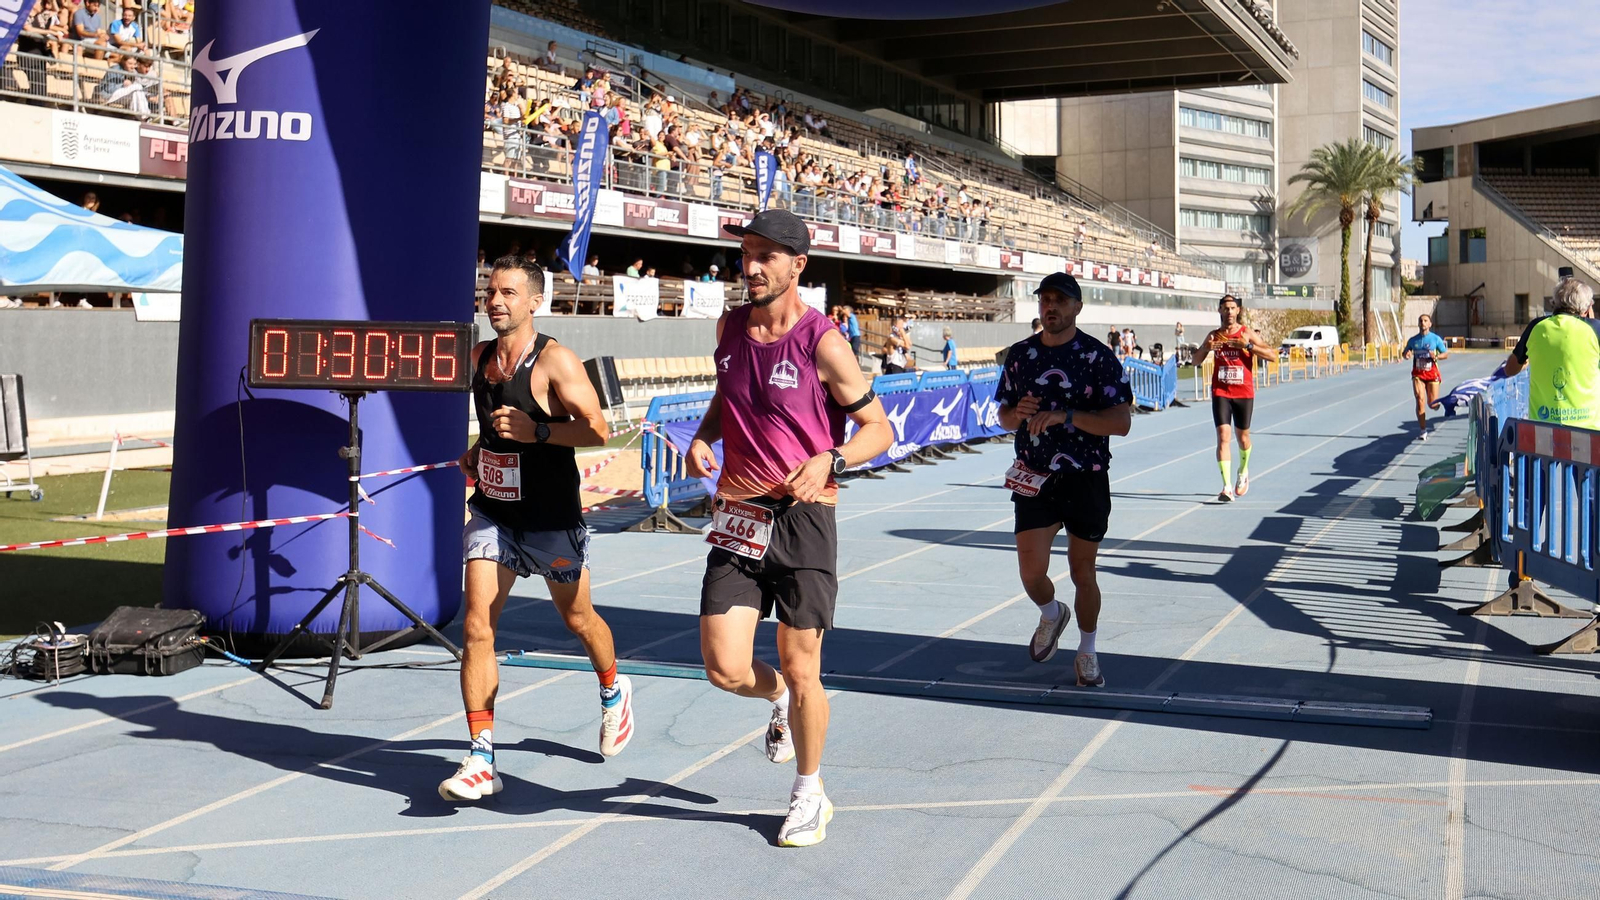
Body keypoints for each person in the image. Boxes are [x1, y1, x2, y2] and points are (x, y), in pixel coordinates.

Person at [685, 209, 892, 847]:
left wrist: (830, 458)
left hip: (804, 518)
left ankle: (809, 791)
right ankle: (776, 700)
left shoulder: (822, 341)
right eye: (746, 253)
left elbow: (880, 430)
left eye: (766, 255)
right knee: (723, 667)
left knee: (804, 666)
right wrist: (703, 435)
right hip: (738, 516)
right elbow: (728, 395)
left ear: (798, 265)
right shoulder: (728, 328)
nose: (750, 266)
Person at [440, 256, 633, 803]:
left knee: (578, 618)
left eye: (506, 292)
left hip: (551, 520)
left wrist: (537, 429)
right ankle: (481, 757)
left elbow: (598, 428)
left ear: (533, 301)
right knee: (478, 628)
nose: (494, 301)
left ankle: (613, 688)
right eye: (489, 291)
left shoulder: (556, 362)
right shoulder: (480, 358)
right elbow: (495, 429)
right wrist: (480, 452)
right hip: (494, 513)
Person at [996, 272, 1132, 687]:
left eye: (1059, 300)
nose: (1050, 306)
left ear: (1077, 307)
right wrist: (1017, 413)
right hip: (1034, 475)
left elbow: (1121, 423)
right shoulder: (1019, 355)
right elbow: (1002, 417)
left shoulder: (1097, 357)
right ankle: (1053, 614)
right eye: (1044, 300)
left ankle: (1087, 651)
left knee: (1081, 571)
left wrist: (1066, 415)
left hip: (1084, 476)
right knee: (1031, 573)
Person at [1193, 295, 1274, 501]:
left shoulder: (1245, 333)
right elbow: (1194, 361)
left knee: (1243, 438)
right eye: (1225, 308)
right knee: (1223, 436)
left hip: (1243, 393)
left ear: (1238, 311)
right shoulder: (1214, 335)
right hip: (1221, 392)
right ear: (1219, 311)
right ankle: (1226, 487)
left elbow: (1272, 355)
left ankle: (1243, 471)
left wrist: (1247, 347)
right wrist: (1206, 348)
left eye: (1232, 308)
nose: (1229, 312)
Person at [1503, 272, 1600, 429]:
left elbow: (1510, 369)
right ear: (1585, 308)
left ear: (1555, 302)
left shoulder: (1536, 327)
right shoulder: (1595, 329)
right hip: (1588, 429)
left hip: (1543, 428)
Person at [1402, 314, 1451, 440]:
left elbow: (1445, 354)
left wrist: (1436, 356)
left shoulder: (1435, 339)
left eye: (1425, 321)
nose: (1423, 323)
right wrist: (1406, 354)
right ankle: (1423, 430)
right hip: (1418, 374)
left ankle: (1437, 405)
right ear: (1418, 324)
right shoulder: (1413, 340)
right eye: (1421, 321)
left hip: (1432, 374)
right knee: (1420, 399)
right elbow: (1405, 352)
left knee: (1432, 404)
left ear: (1430, 324)